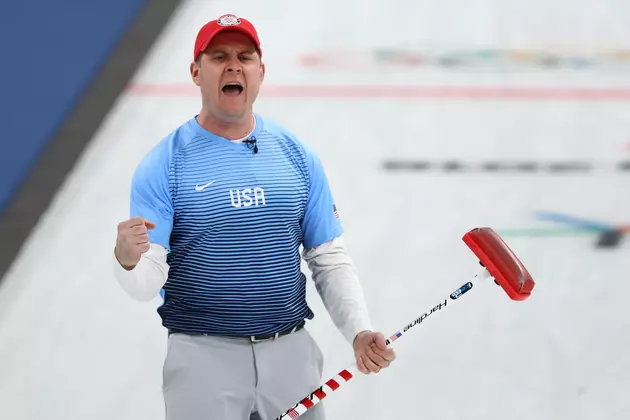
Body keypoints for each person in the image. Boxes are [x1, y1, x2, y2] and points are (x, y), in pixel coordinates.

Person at [112, 13, 396, 420]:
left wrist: (359, 331)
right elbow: (145, 284)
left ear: (261, 72)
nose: (233, 65)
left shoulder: (296, 156)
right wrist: (126, 260)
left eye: (245, 57)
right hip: (202, 359)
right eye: (219, 56)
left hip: (291, 356)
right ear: (196, 72)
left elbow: (328, 258)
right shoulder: (165, 165)